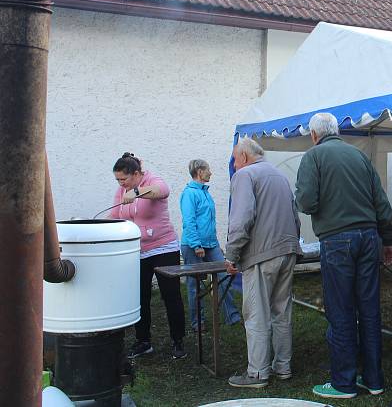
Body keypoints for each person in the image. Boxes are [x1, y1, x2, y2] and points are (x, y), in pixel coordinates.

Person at [295, 113, 392, 400]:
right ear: (336, 131)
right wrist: (387, 241)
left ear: (314, 135)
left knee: (340, 310)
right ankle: (374, 379)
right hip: (369, 238)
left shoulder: (313, 157)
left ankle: (344, 383)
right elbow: (382, 204)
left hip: (338, 240)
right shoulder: (360, 156)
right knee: (368, 309)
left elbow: (306, 201)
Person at [225, 137, 302, 388]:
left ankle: (258, 373)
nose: (235, 166)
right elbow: (295, 215)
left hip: (261, 253)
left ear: (244, 158)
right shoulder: (279, 175)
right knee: (282, 311)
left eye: (235, 160)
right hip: (287, 250)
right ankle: (283, 367)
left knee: (257, 314)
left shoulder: (245, 175)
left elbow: (241, 218)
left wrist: (231, 254)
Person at [110, 152, 187, 360]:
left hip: (164, 248)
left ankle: (178, 340)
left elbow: (163, 191)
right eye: (118, 180)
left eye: (123, 179)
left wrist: (136, 192)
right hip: (138, 251)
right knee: (140, 297)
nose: (121, 184)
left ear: (136, 174)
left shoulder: (152, 181)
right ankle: (143, 341)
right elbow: (115, 217)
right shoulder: (122, 190)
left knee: (170, 295)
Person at [179, 159, 241, 331]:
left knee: (223, 275)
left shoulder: (205, 192)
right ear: (199, 171)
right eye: (208, 169)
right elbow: (189, 221)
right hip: (193, 245)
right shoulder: (189, 193)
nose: (211, 173)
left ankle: (232, 316)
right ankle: (197, 322)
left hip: (211, 244)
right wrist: (196, 244)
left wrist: (214, 243)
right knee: (195, 284)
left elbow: (208, 221)